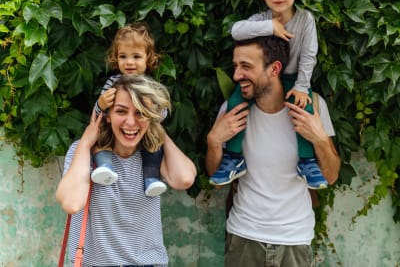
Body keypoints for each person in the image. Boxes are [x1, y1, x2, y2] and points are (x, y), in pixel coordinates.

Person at [206, 36, 341, 267]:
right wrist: (213, 141)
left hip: (295, 239)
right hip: (244, 235)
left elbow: (330, 176)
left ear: (274, 69)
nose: (237, 75)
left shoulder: (313, 107)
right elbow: (218, 181)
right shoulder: (232, 111)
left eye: (246, 67)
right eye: (236, 66)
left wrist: (319, 138)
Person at [210, 0, 328, 189]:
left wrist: (302, 86)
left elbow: (309, 54)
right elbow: (236, 30)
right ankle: (233, 158)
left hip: (294, 78)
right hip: (265, 76)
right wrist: (270, 27)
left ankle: (307, 162)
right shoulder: (262, 19)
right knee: (236, 103)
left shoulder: (305, 20)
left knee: (303, 109)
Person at [56, 75, 197, 267]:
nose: (131, 122)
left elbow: (185, 178)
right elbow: (72, 203)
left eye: (140, 113)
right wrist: (87, 141)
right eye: (121, 111)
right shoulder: (83, 152)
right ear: (107, 115)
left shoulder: (153, 154)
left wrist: (157, 129)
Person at [91, 21, 168, 197]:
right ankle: (104, 166)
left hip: (144, 134)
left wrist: (152, 109)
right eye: (123, 56)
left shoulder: (150, 86)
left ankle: (151, 179)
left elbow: (163, 114)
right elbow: (98, 114)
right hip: (115, 134)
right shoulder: (112, 83)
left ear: (148, 59)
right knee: (101, 136)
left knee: (156, 142)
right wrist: (101, 104)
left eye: (136, 56)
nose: (129, 62)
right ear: (115, 58)